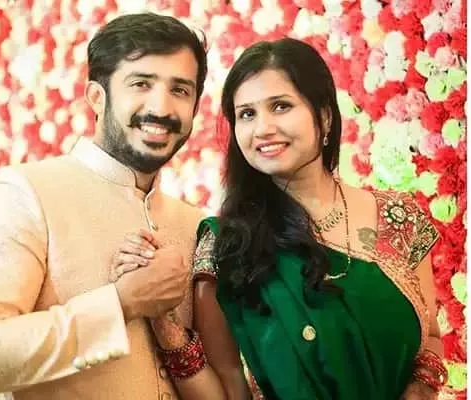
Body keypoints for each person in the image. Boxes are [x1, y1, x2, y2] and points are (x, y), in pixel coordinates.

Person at [134, 38, 448, 399]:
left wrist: (420, 389)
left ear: (324, 116)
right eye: (247, 114)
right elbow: (229, 387)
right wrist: (166, 325)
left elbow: (430, 335)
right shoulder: (228, 246)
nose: (262, 128)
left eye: (280, 106)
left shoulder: (398, 218)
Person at [0, 12, 209, 399]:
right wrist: (121, 304)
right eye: (141, 84)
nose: (162, 107)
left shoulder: (195, 224)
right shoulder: (24, 192)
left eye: (180, 90)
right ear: (97, 97)